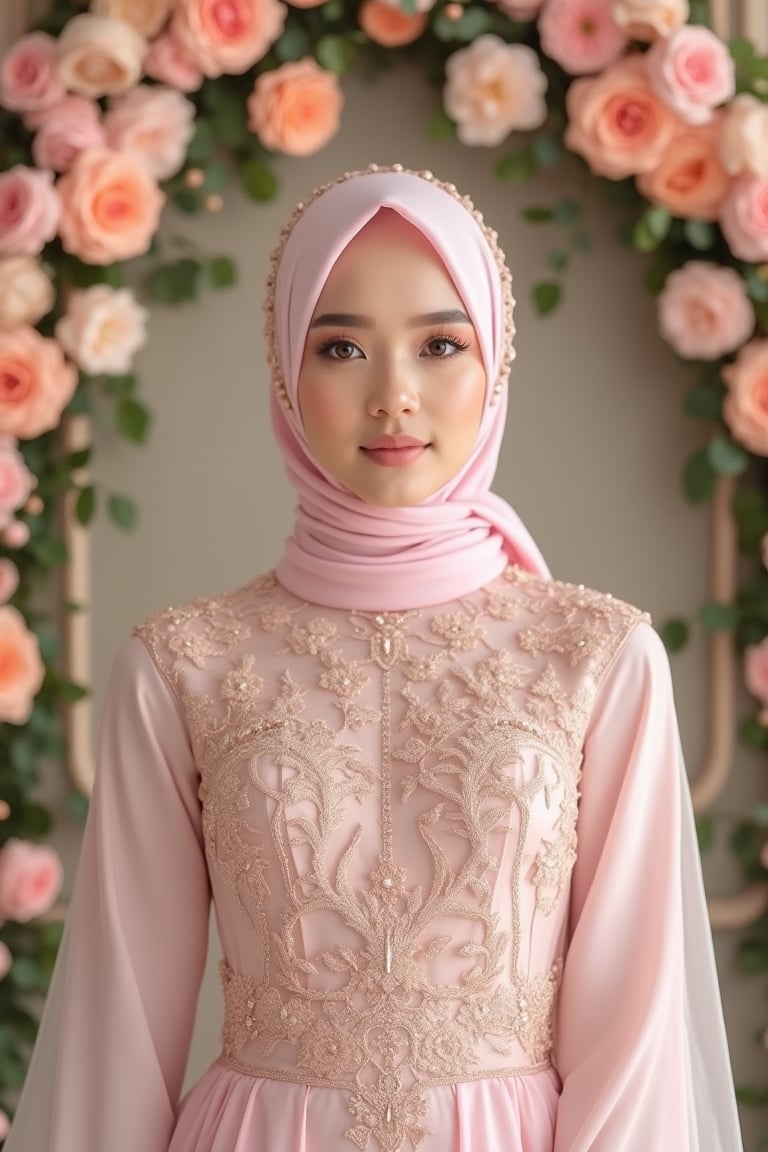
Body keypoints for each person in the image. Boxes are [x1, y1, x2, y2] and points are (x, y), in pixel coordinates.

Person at [6, 164, 743, 1151]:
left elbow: (635, 1037)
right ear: (285, 372)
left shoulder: (599, 660)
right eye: (342, 346)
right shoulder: (186, 667)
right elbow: (115, 1038)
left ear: (496, 365)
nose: (395, 396)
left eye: (441, 344)